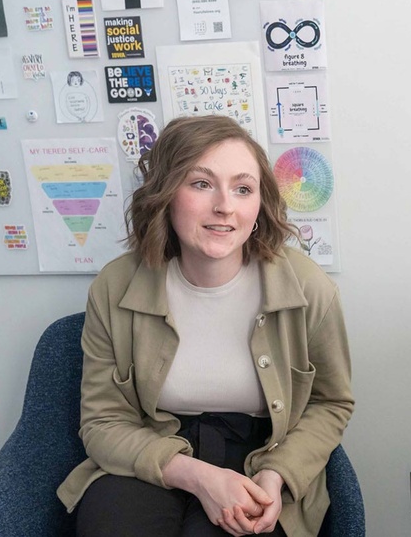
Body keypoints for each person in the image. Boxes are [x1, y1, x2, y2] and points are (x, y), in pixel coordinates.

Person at [58, 115, 353, 537]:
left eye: (243, 188)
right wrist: (197, 476)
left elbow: (332, 403)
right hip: (149, 453)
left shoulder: (309, 289)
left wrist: (277, 474)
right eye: (201, 184)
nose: (225, 206)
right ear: (165, 194)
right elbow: (103, 422)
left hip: (260, 456)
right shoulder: (114, 285)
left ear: (259, 204)